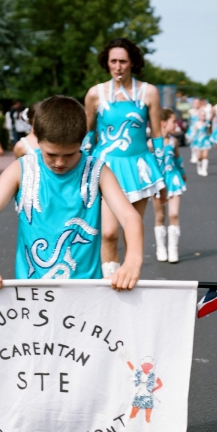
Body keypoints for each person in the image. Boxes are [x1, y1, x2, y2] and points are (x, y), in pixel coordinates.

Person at [0, 95, 144, 432]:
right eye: (52, 154)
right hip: (28, 302)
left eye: (70, 154)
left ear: (84, 143)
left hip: (83, 303)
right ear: (35, 138)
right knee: (35, 378)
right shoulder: (22, 168)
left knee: (75, 382)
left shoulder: (98, 170)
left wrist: (132, 260)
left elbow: (130, 218)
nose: (61, 163)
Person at [84, 37, 164, 278]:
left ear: (132, 63)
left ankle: (129, 281)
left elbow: (158, 135)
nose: (117, 66)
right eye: (113, 61)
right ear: (106, 63)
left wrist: (164, 173)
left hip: (138, 167)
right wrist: (81, 170)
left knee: (133, 231)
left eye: (123, 61)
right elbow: (88, 134)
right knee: (108, 233)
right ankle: (109, 283)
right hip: (106, 168)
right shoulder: (95, 93)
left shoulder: (148, 92)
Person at [150, 108, 186, 263]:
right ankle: (161, 247)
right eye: (173, 121)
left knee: (173, 214)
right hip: (157, 182)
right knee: (160, 216)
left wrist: (183, 172)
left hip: (173, 180)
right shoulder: (150, 143)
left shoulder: (173, 141)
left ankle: (173, 248)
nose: (176, 125)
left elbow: (177, 159)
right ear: (163, 123)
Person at [192, 108, 212, 177]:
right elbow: (194, 133)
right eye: (202, 115)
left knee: (205, 155)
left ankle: (204, 169)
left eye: (204, 115)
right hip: (199, 141)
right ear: (199, 116)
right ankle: (199, 167)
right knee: (200, 156)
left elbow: (209, 132)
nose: (203, 116)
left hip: (206, 140)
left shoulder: (207, 123)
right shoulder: (197, 124)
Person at [186, 98, 201, 164]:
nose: (196, 104)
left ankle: (198, 154)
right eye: (195, 103)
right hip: (192, 128)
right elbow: (189, 120)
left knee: (198, 141)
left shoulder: (201, 111)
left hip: (199, 129)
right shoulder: (191, 111)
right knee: (192, 142)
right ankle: (193, 154)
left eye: (197, 103)